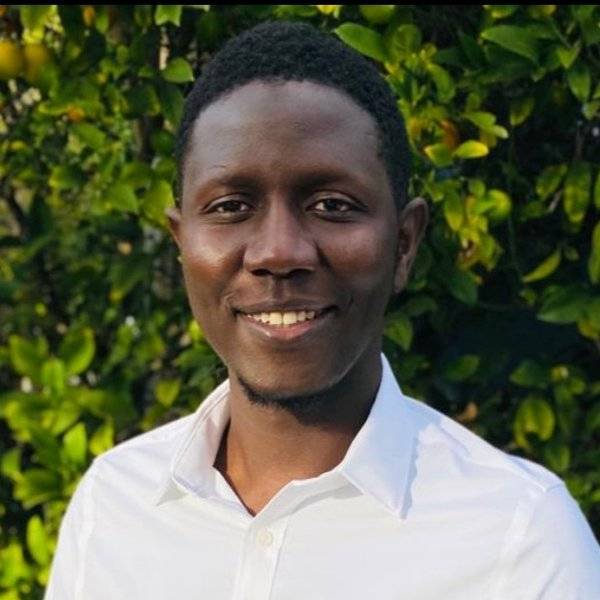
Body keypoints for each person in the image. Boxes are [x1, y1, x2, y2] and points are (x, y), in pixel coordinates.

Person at [45, 20, 600, 600]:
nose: (278, 253)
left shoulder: (519, 539)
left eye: (333, 205)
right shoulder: (112, 506)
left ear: (405, 243)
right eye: (232, 205)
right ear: (182, 243)